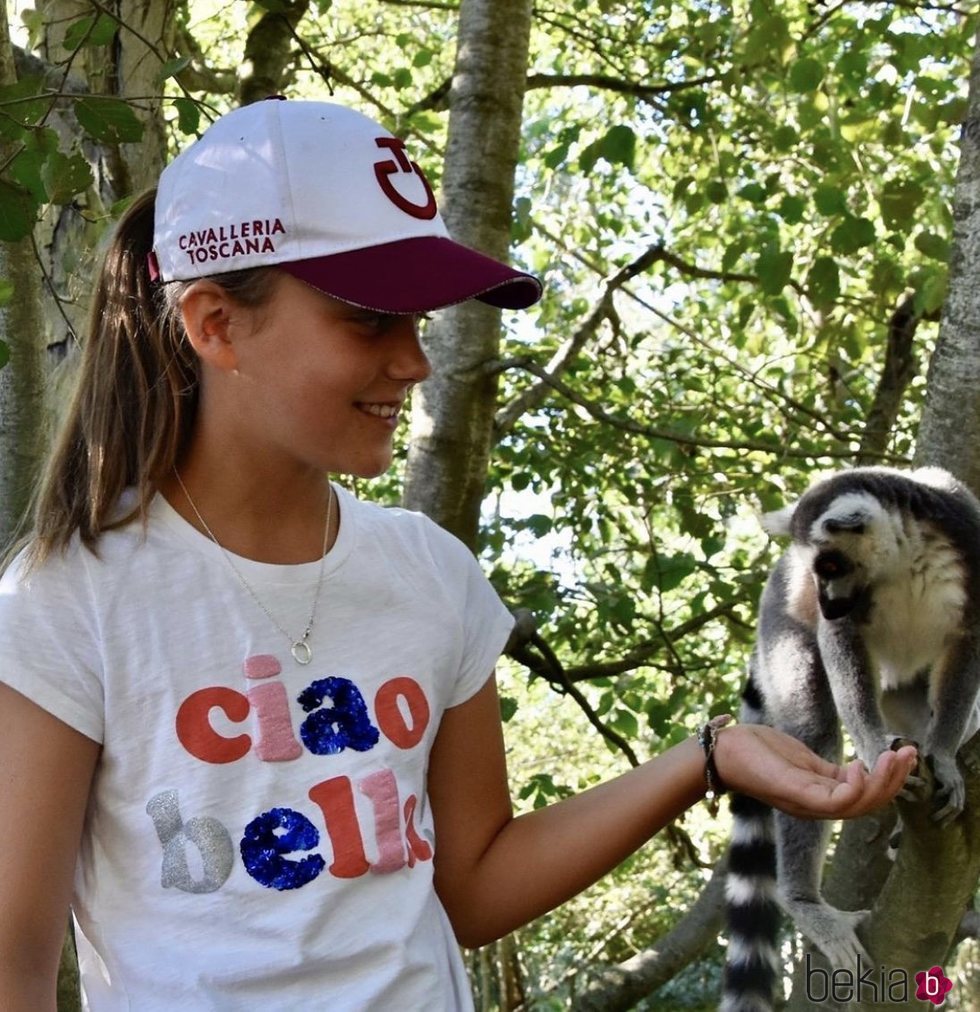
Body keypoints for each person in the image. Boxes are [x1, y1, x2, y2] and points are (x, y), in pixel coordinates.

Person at [0, 98, 915, 1011]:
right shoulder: (71, 599)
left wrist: (704, 760)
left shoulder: (429, 576)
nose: (415, 362)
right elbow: (15, 966)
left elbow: (473, 886)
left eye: (421, 320)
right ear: (215, 323)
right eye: (369, 320)